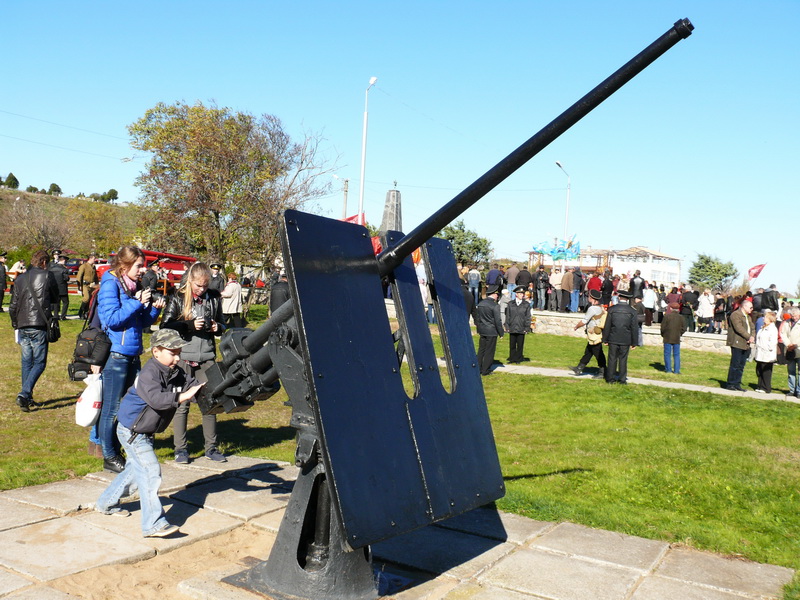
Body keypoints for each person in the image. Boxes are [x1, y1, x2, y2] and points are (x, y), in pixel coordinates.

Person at [94, 328, 204, 537]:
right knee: (150, 472)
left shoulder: (175, 371)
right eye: (172, 353)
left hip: (144, 431)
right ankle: (153, 524)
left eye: (179, 352)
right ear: (156, 352)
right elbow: (156, 400)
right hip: (132, 432)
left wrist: (208, 390)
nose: (177, 357)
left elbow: (193, 386)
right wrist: (183, 396)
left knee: (135, 474)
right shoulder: (149, 373)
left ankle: (105, 504)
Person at [97, 246, 165, 473]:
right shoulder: (111, 283)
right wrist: (136, 302)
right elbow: (111, 319)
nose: (143, 270)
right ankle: (109, 455)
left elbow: (140, 323)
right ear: (124, 266)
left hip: (133, 353)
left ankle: (123, 447)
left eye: (143, 265)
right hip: (116, 355)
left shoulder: (132, 285)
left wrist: (153, 310)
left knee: (133, 405)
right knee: (113, 408)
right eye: (139, 266)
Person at [161, 262, 227, 463]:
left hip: (206, 358)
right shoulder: (178, 297)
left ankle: (211, 448)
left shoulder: (213, 298)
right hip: (183, 358)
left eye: (205, 286)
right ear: (190, 281)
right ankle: (180, 449)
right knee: (182, 404)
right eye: (198, 285)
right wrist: (188, 325)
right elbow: (166, 324)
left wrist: (217, 327)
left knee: (210, 404)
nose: (201, 289)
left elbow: (224, 324)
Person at [9, 250, 59, 412]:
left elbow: (13, 306)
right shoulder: (47, 276)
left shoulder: (21, 278)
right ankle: (24, 394)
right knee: (39, 362)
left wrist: (16, 324)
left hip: (23, 324)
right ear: (44, 262)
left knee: (26, 362)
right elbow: (55, 297)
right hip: (38, 324)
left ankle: (27, 397)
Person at [602, 289, 638, 384]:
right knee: (623, 359)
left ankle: (610, 378)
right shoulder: (632, 311)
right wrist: (634, 342)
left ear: (619, 297)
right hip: (626, 339)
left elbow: (607, 325)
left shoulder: (612, 309)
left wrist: (605, 338)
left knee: (612, 358)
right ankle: (622, 379)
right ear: (627, 299)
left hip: (613, 337)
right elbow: (634, 328)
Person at [570, 289, 606, 377]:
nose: (588, 298)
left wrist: (576, 326)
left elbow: (584, 320)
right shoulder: (600, 308)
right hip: (596, 333)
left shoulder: (592, 308)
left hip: (594, 333)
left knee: (598, 354)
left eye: (589, 297)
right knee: (588, 351)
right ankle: (579, 368)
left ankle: (603, 372)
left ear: (593, 299)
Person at [724, 299, 754, 392]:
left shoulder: (748, 317)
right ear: (744, 306)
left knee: (741, 365)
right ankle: (731, 383)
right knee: (735, 364)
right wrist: (749, 337)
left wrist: (752, 336)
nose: (752, 309)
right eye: (750, 307)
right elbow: (739, 328)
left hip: (746, 344)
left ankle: (737, 383)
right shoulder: (735, 315)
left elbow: (752, 327)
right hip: (737, 343)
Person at [475, 285, 503, 376]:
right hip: (491, 331)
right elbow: (497, 320)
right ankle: (485, 370)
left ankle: (478, 368)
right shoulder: (495, 306)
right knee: (489, 351)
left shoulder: (480, 304)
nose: (497, 296)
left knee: (481, 350)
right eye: (497, 294)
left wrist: (479, 329)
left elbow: (478, 319)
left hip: (482, 330)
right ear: (494, 294)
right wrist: (501, 332)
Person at [505, 286, 531, 363]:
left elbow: (528, 317)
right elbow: (508, 316)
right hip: (512, 326)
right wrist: (507, 326)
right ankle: (512, 358)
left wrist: (526, 328)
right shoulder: (510, 303)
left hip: (521, 327)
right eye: (520, 294)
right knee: (512, 344)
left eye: (522, 294)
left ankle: (518, 358)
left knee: (520, 345)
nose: (522, 295)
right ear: (516, 294)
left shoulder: (526, 304)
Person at [753, 311, 778, 393]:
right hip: (760, 352)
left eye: (766, 317)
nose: (764, 318)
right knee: (759, 369)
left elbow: (773, 342)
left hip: (767, 353)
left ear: (770, 319)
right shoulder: (763, 327)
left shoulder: (772, 329)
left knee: (766, 371)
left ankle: (766, 387)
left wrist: (767, 349)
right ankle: (760, 386)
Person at [660, 301, 686, 374]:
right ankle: (677, 370)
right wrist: (679, 333)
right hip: (676, 337)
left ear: (671, 308)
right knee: (677, 354)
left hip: (667, 337)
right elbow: (684, 328)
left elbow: (662, 327)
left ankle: (668, 369)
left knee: (667, 354)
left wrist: (663, 334)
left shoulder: (667, 316)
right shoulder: (681, 317)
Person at [783, 308, 800, 399]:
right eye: (792, 316)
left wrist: (795, 345)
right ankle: (792, 390)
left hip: (798, 349)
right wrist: (788, 344)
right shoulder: (787, 323)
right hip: (790, 349)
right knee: (791, 371)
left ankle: (799, 391)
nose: (794, 318)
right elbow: (783, 334)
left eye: (795, 316)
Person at [76, 254, 99, 320]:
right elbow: (79, 276)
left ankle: (85, 313)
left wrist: (97, 284)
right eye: (94, 258)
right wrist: (79, 285)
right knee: (86, 298)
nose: (95, 260)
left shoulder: (93, 267)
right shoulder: (84, 266)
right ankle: (80, 312)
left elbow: (95, 277)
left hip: (91, 285)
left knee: (90, 300)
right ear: (90, 258)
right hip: (85, 285)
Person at [49, 253, 70, 320]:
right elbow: (66, 278)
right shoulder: (64, 269)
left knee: (56, 303)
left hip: (55, 288)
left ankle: (56, 315)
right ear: (63, 260)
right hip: (62, 288)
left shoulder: (52, 268)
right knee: (65, 302)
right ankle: (63, 316)